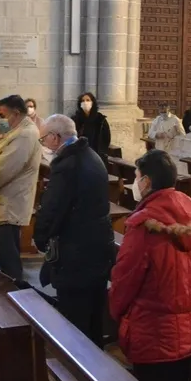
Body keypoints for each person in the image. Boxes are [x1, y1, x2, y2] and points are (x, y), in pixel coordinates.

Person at [109, 150, 191, 381]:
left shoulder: (145, 225)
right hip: (186, 323)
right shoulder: (189, 213)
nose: (134, 183)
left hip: (153, 327)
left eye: (136, 177)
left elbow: (125, 278)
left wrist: (117, 313)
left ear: (147, 182)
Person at [34, 115, 114, 347]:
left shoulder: (67, 165)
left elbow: (53, 208)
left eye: (44, 139)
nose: (44, 144)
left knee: (74, 322)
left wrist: (40, 238)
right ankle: (97, 371)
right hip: (97, 248)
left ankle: (78, 375)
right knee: (93, 314)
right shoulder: (91, 156)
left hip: (76, 254)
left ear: (54, 137)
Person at [0, 95, 42, 283]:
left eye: (2, 115)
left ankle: (15, 294)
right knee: (4, 254)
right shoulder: (14, 131)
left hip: (9, 204)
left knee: (9, 257)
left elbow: (1, 171)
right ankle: (10, 291)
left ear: (16, 113)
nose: (0, 119)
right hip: (2, 202)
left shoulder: (25, 135)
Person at [73, 92, 111, 165]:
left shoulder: (100, 120)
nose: (85, 102)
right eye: (83, 101)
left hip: (96, 155)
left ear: (93, 102)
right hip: (79, 155)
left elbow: (106, 139)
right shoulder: (75, 119)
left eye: (88, 100)